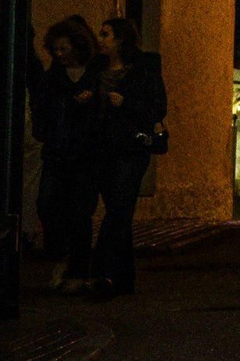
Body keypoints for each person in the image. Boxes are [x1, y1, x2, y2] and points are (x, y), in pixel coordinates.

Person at [88, 18, 167, 299]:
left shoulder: (143, 68)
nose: (101, 38)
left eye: (106, 34)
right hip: (104, 148)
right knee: (118, 212)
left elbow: (158, 106)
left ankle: (100, 271)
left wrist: (127, 103)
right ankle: (123, 279)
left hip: (131, 148)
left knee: (119, 208)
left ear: (121, 39)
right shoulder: (96, 68)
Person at [33, 17, 99, 291]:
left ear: (77, 46)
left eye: (64, 49)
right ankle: (60, 254)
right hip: (58, 151)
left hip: (85, 155)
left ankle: (79, 270)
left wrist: (90, 100)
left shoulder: (95, 73)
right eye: (56, 50)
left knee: (80, 211)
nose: (60, 55)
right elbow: (43, 110)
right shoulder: (54, 77)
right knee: (46, 204)